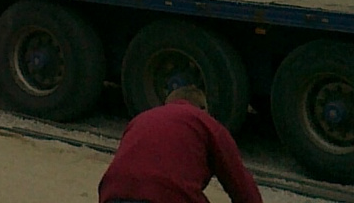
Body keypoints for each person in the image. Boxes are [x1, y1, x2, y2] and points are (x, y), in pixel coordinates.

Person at [98, 86, 263, 203]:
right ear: (202, 108)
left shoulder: (141, 119)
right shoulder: (205, 123)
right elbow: (240, 183)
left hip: (112, 195)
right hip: (167, 196)